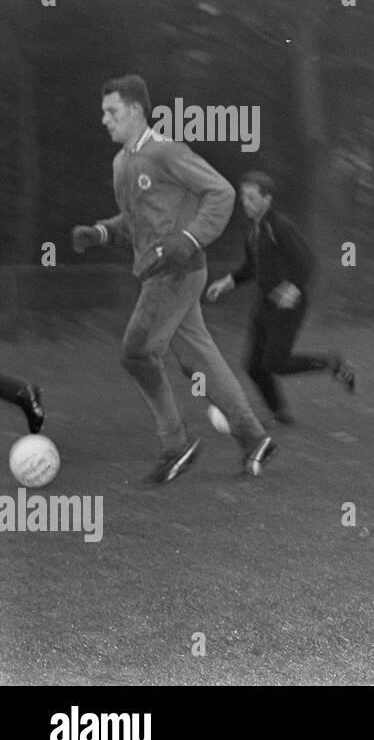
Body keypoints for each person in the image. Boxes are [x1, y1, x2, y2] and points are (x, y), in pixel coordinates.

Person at [71, 74, 274, 482]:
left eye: (111, 112)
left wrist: (189, 238)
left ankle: (176, 445)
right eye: (103, 112)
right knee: (200, 360)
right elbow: (135, 220)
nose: (104, 119)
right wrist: (102, 233)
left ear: (134, 111)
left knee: (136, 353)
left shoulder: (166, 152)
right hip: (157, 275)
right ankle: (254, 438)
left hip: (177, 273)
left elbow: (221, 192)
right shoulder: (122, 163)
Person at [205, 171, 355, 425]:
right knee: (254, 366)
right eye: (244, 198)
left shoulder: (280, 227)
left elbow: (307, 262)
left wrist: (293, 289)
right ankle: (279, 414)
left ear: (267, 199)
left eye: (252, 198)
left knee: (275, 362)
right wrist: (226, 283)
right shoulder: (254, 231)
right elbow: (251, 268)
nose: (246, 203)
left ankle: (331, 362)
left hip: (288, 306)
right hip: (264, 304)